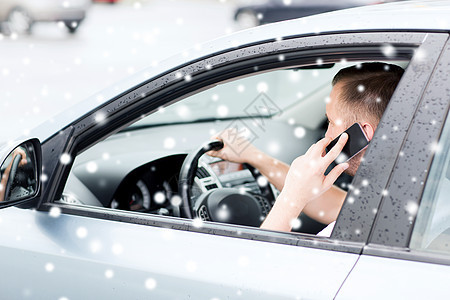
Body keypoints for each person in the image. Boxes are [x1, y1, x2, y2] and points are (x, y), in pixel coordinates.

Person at [208, 62, 404, 235]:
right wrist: (255, 157)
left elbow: (260, 268)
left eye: (330, 122)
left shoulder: (351, 236)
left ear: (363, 133)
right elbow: (341, 206)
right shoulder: (402, 196)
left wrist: (290, 197)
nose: (327, 135)